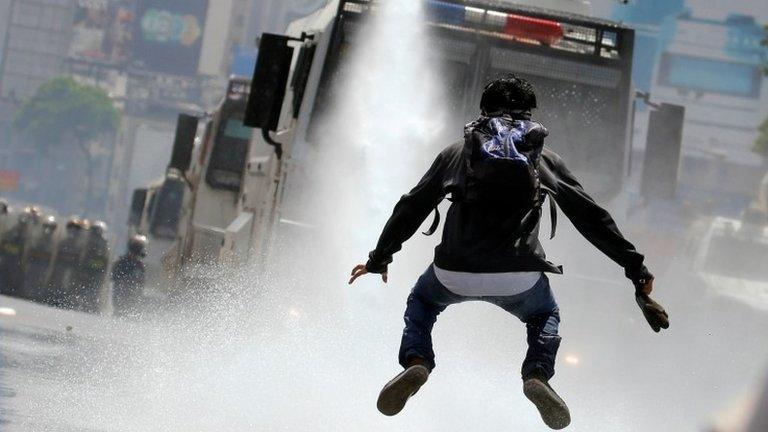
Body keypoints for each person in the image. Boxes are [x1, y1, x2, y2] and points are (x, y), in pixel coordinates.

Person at [348, 75, 670, 430]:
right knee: (544, 314)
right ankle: (537, 374)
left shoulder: (457, 152)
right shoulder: (543, 159)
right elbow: (591, 217)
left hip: (453, 271)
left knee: (422, 302)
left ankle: (417, 361)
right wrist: (635, 269)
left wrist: (380, 258)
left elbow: (412, 206)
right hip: (519, 278)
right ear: (530, 114)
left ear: (482, 110)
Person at [49, 217, 87, 307]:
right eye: (71, 228)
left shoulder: (81, 246)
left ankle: (67, 301)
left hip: (73, 270)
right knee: (57, 283)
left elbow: (81, 260)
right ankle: (54, 299)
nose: (73, 231)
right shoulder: (62, 243)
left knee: (70, 285)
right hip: (60, 268)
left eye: (76, 229)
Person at [74, 221, 109, 312]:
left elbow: (102, 261)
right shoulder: (89, 240)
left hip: (95, 271)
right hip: (87, 270)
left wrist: (90, 265)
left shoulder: (102, 243)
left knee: (93, 289)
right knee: (82, 288)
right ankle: (81, 303)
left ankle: (91, 305)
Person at [21, 215, 58, 302]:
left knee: (41, 280)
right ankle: (25, 294)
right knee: (29, 278)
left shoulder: (54, 243)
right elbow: (28, 252)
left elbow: (53, 259)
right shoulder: (36, 239)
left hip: (44, 266)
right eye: (46, 226)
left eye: (51, 227)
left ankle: (37, 297)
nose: (48, 229)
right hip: (33, 263)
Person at [111, 235, 147, 316]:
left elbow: (141, 282)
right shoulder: (124, 262)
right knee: (119, 312)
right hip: (122, 294)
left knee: (123, 312)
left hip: (129, 295)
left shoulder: (138, 265)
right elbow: (114, 276)